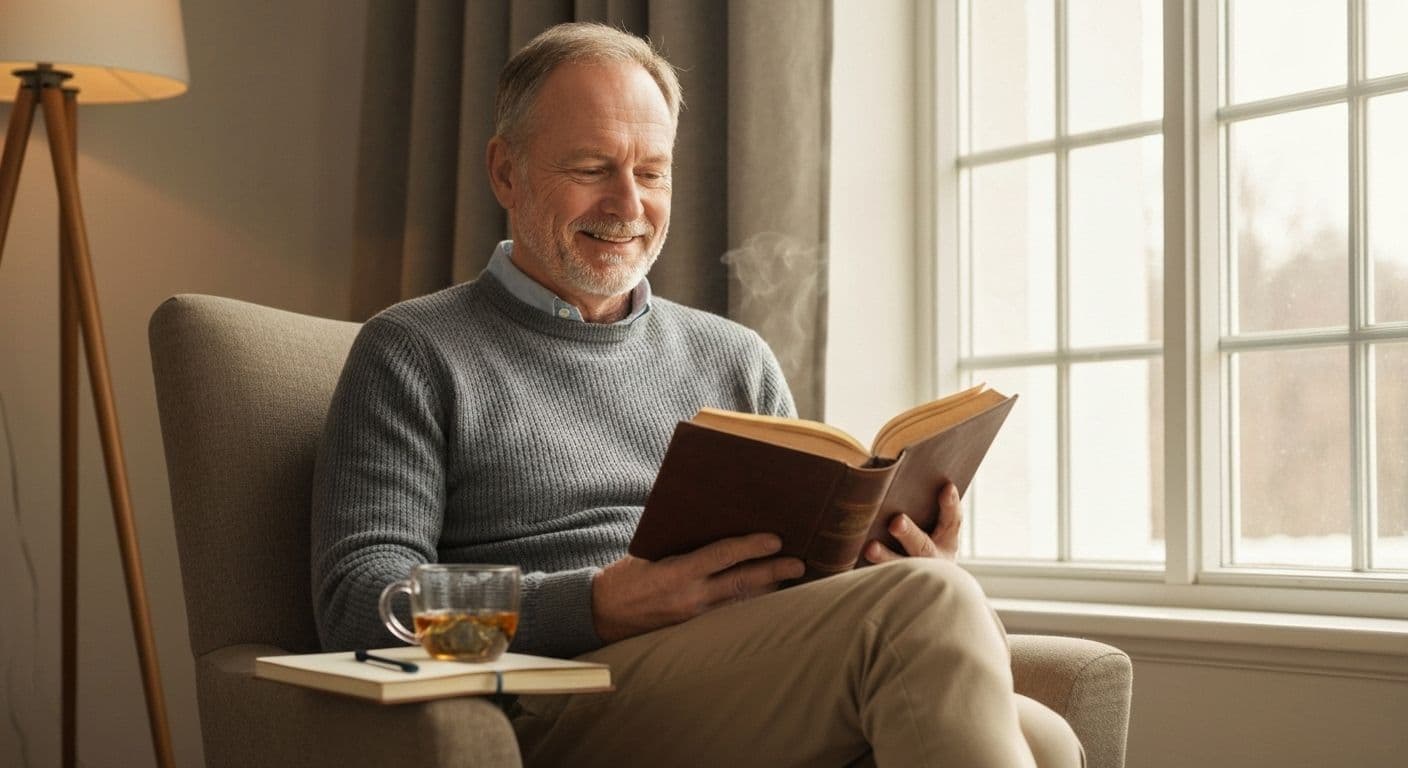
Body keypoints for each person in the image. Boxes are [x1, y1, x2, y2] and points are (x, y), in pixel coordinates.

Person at [311, 21, 1083, 768]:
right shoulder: (412, 350)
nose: (627, 205)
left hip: (743, 671)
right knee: (928, 608)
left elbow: (801, 580)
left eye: (651, 172)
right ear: (505, 171)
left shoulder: (734, 356)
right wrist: (594, 604)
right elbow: (360, 604)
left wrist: (893, 559)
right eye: (592, 168)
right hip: (563, 691)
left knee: (1041, 736)